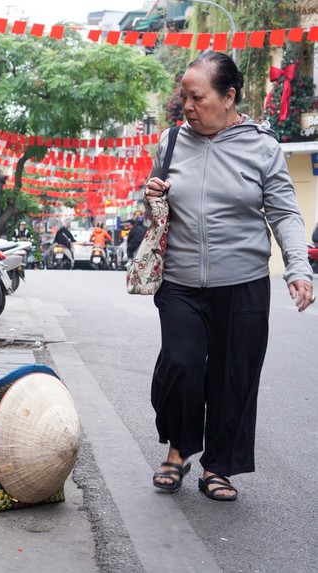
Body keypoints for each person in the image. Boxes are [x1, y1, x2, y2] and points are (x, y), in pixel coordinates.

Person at [143, 52, 314, 502]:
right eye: (184, 96)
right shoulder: (171, 143)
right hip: (179, 281)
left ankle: (218, 467)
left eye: (197, 96)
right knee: (180, 364)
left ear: (229, 96)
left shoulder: (262, 146)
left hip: (243, 283)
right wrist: (151, 195)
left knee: (233, 375)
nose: (187, 105)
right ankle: (178, 450)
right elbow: (154, 209)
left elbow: (284, 213)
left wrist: (298, 267)